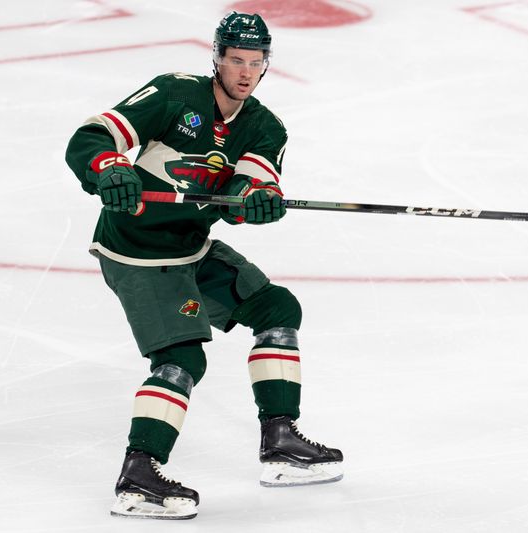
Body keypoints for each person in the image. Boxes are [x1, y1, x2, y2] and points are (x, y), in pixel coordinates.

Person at [65, 11, 343, 520]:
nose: (245, 72)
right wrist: (109, 169)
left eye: (255, 63)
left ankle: (279, 438)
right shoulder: (173, 94)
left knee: (277, 308)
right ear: (216, 58)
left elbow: (246, 187)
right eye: (236, 60)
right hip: (138, 255)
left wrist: (253, 201)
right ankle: (139, 474)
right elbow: (90, 138)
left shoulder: (264, 127)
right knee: (183, 360)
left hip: (191, 249)